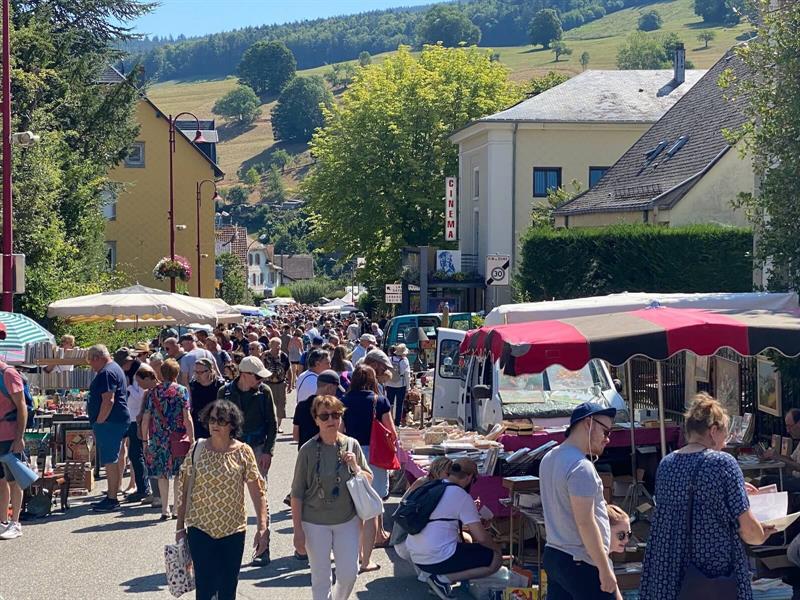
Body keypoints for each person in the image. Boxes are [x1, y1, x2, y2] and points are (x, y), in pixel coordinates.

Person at [640, 394, 775, 600]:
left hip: (669, 570)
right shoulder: (722, 463)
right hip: (710, 572)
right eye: (725, 435)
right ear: (713, 431)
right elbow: (749, 531)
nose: (724, 443)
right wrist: (761, 535)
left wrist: (734, 488)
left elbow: (688, 500)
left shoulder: (666, 464)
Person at [175, 400, 268, 600]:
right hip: (200, 528)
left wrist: (262, 527)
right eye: (212, 419)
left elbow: (257, 492)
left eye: (221, 420)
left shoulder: (244, 452)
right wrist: (180, 528)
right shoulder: (197, 449)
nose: (214, 424)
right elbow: (184, 490)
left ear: (232, 424)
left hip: (233, 530)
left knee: (228, 588)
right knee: (205, 588)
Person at [291, 395, 373, 600]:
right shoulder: (307, 450)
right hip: (314, 522)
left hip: (347, 520)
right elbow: (297, 493)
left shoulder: (351, 445)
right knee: (320, 578)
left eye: (336, 415)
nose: (331, 420)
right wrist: (298, 531)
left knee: (349, 574)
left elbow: (369, 479)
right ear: (316, 419)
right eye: (325, 416)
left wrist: (354, 467)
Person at [539, 401, 619, 599]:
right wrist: (604, 567)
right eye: (606, 432)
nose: (607, 439)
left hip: (556, 554)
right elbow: (585, 522)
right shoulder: (581, 466)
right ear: (588, 423)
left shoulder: (549, 457)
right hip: (580, 560)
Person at [405, 458, 502, 599]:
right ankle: (443, 579)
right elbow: (481, 537)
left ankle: (439, 579)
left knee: (466, 543)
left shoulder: (432, 486)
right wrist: (496, 548)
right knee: (495, 559)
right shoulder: (461, 495)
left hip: (415, 554)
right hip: (437, 557)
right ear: (469, 477)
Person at [217, 355, 277, 566]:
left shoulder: (264, 392)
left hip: (257, 448)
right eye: (258, 376)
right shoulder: (224, 392)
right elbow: (219, 424)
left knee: (260, 498)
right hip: (231, 450)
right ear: (244, 374)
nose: (261, 380)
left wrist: (268, 451)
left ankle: (263, 548)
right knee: (229, 499)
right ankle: (226, 549)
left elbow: (272, 423)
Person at [342, 364, 397, 570]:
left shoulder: (344, 401)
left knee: (355, 506)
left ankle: (355, 555)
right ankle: (366, 560)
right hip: (375, 455)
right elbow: (391, 431)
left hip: (351, 453)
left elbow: (340, 431)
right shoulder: (379, 401)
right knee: (372, 507)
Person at [141, 359, 195, 520]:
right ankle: (177, 508)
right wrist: (192, 439)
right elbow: (187, 417)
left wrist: (145, 440)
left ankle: (165, 509)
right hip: (177, 437)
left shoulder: (153, 392)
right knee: (179, 473)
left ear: (160, 374)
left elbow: (146, 418)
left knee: (162, 474)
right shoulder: (182, 391)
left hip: (158, 439)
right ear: (176, 373)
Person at [86, 344, 131, 513]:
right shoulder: (115, 369)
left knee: (109, 460)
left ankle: (112, 498)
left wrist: (99, 422)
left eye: (91, 362)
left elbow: (108, 400)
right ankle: (114, 493)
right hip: (117, 420)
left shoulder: (106, 372)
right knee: (115, 457)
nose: (91, 367)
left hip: (110, 422)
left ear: (97, 358)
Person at [0, 357, 28, 539]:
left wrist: (19, 438)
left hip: (9, 435)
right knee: (1, 481)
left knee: (13, 479)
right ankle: (2, 521)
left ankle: (15, 522)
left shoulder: (9, 374)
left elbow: (22, 407)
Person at [123, 364, 158, 503]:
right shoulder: (149, 391)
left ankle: (151, 492)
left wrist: (130, 388)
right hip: (138, 424)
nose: (139, 384)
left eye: (140, 381)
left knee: (146, 457)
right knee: (135, 455)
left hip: (149, 428)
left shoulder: (154, 391)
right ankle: (144, 488)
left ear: (148, 378)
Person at [263, 337, 293, 434]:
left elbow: (289, 370)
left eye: (279, 344)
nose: (278, 347)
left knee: (281, 405)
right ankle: (268, 425)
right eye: (275, 344)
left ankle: (278, 426)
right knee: (266, 405)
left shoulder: (283, 356)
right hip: (268, 383)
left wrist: (290, 384)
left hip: (280, 384)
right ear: (270, 345)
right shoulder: (265, 355)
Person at [189, 358, 225, 439]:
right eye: (196, 372)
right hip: (198, 424)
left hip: (216, 423)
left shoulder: (220, 385)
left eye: (201, 372)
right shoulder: (193, 385)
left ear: (210, 371)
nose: (197, 374)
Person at [385, 344, 411, 426]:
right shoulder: (404, 361)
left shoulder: (389, 359)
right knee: (399, 404)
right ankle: (397, 422)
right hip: (401, 384)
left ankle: (388, 420)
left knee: (389, 403)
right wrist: (408, 387)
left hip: (389, 383)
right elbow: (407, 374)